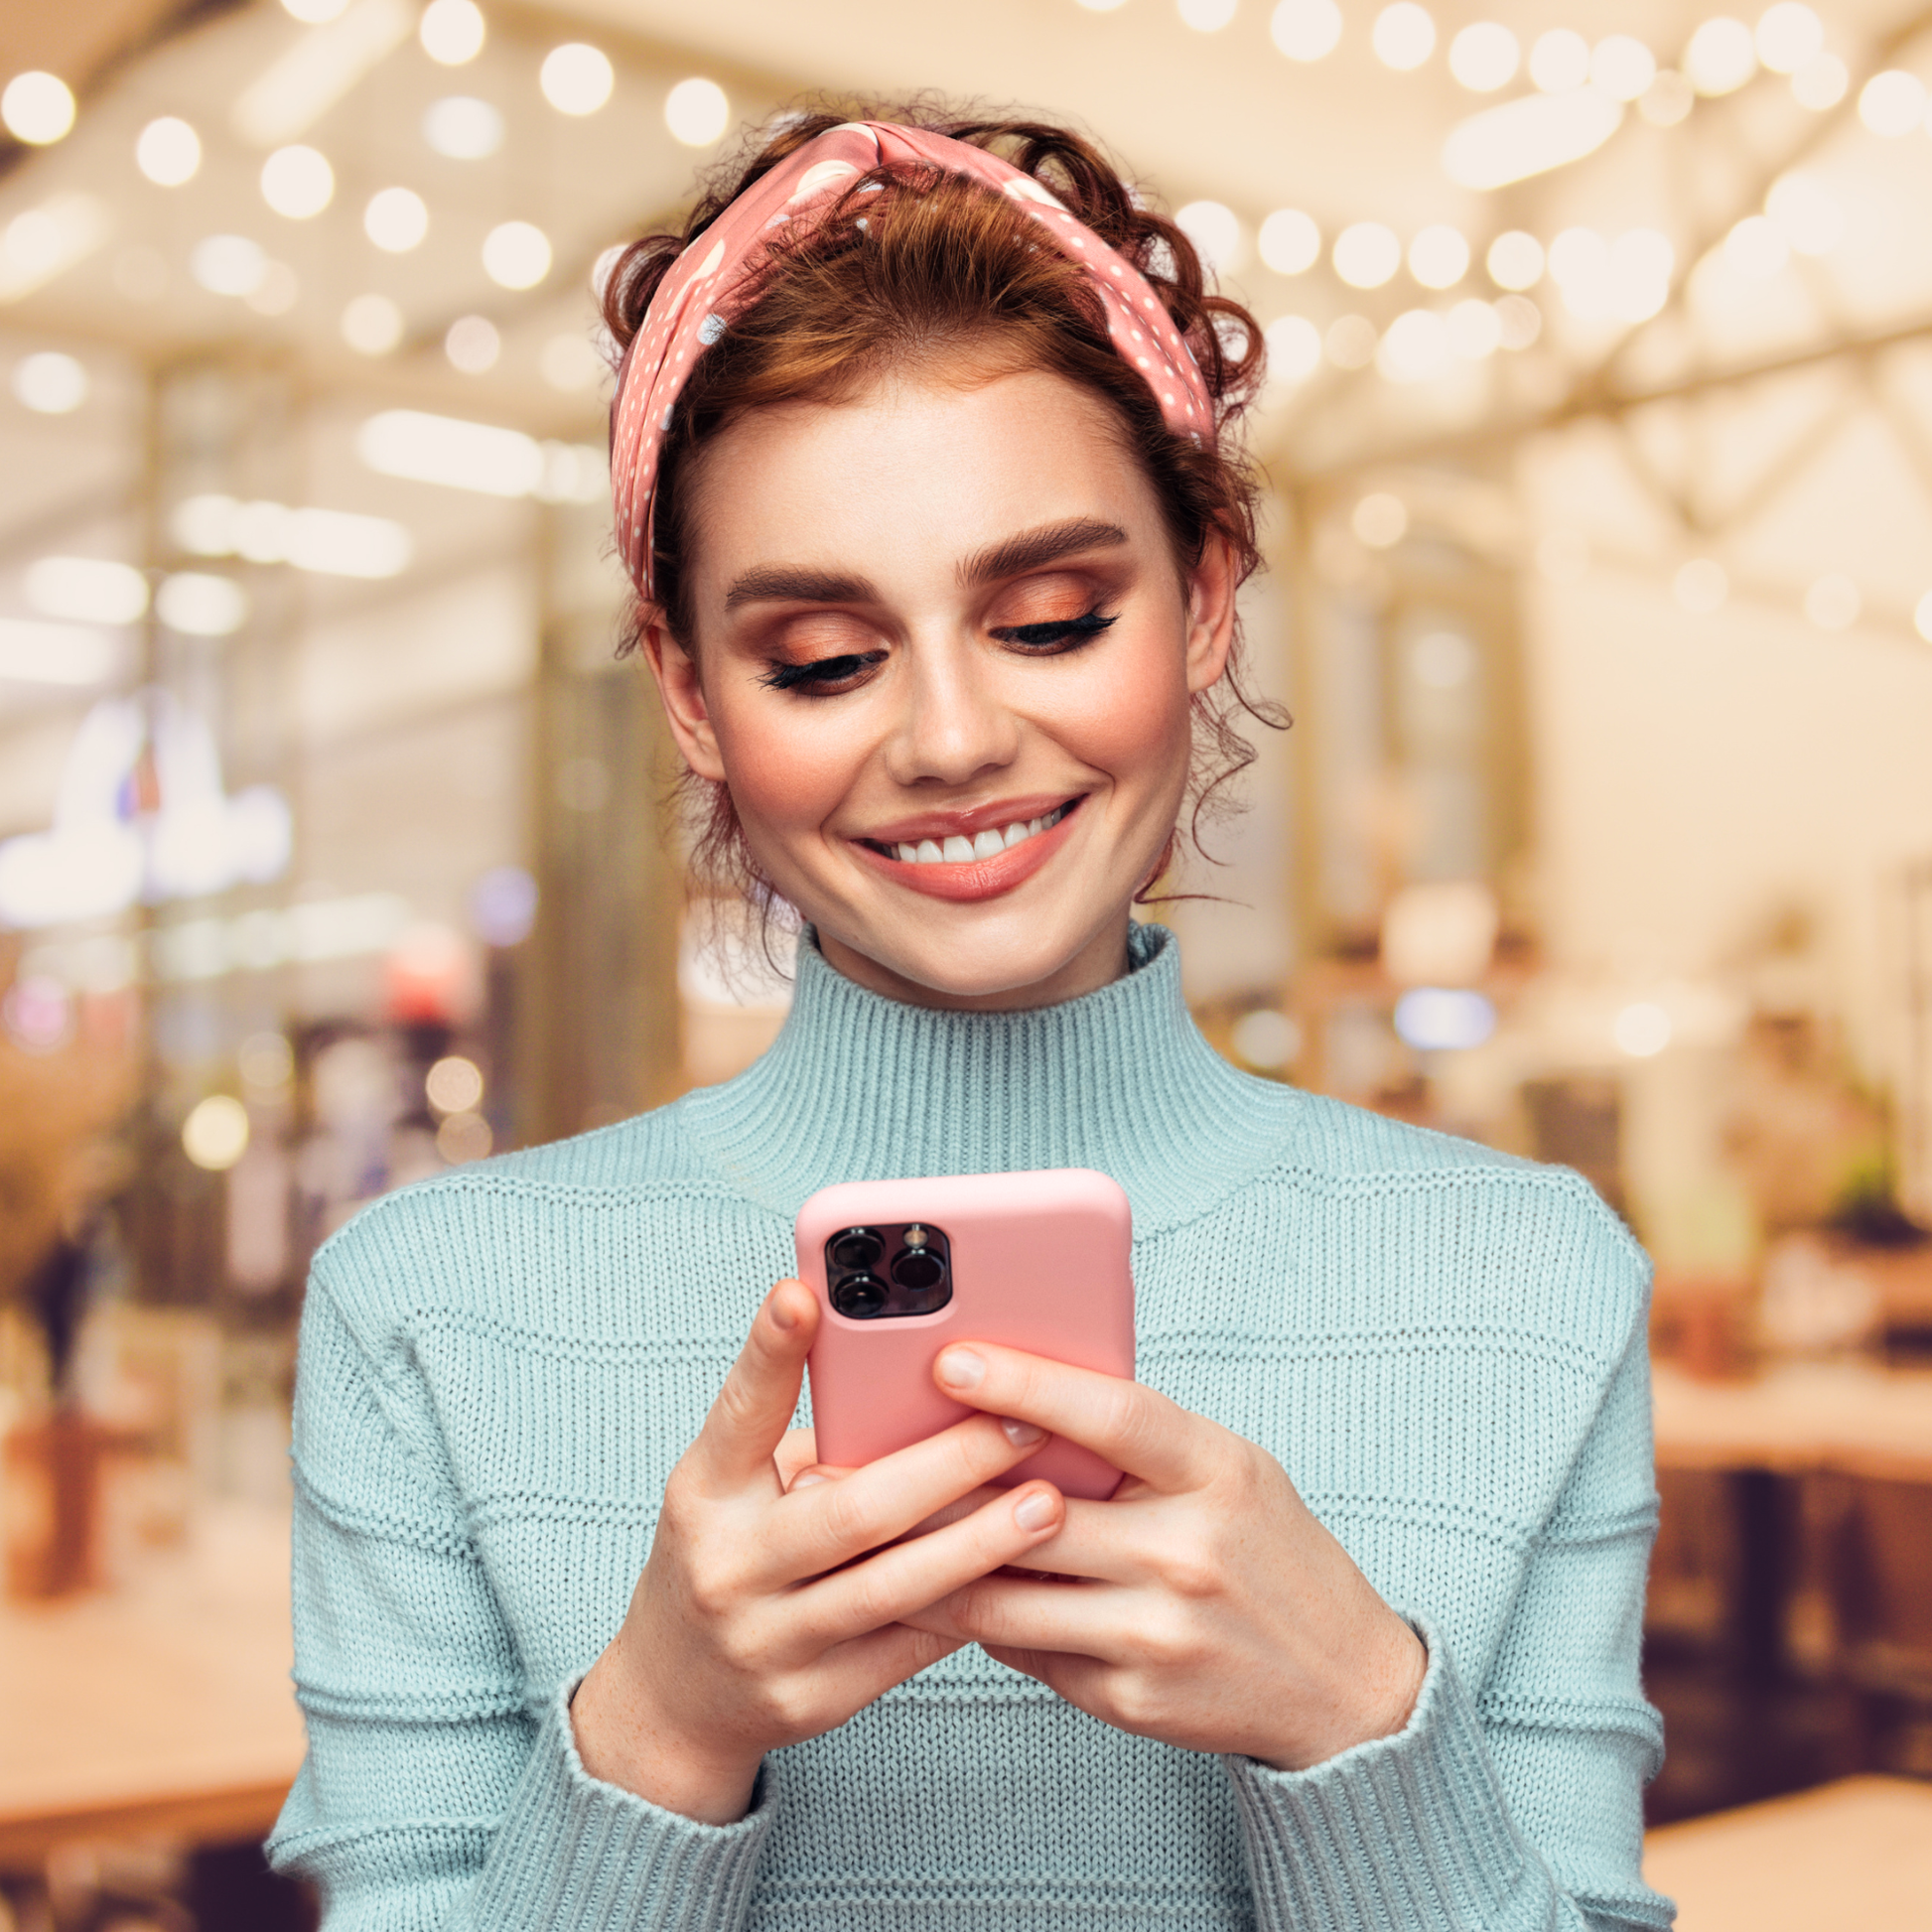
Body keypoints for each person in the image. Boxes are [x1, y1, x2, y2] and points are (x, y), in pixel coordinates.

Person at [269, 111, 1670, 1930]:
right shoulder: (422, 1319)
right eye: (823, 658)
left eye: (1052, 615)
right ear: (690, 690)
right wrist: (662, 1731)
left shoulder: (1531, 1281)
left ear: (1207, 600)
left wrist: (1352, 1717)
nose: (944, 737)